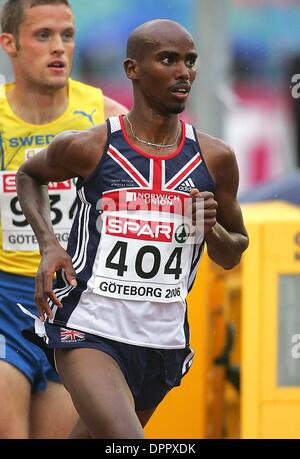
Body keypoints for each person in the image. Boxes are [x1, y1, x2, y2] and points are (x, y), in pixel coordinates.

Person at [16, 19, 249, 439]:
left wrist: (209, 229)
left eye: (190, 61)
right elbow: (29, 175)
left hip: (161, 339)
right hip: (89, 325)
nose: (184, 72)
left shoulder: (216, 159)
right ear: (133, 69)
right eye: (168, 60)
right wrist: (49, 245)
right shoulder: (91, 146)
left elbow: (233, 253)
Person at [0, 0, 127, 439]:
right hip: (4, 299)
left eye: (67, 35)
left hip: (73, 307)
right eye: (43, 35)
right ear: (9, 44)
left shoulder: (105, 118)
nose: (59, 47)